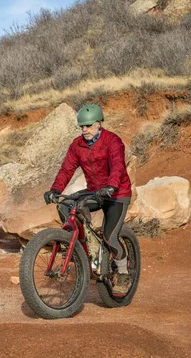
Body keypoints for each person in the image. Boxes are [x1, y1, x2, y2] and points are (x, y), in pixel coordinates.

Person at [43, 103, 132, 295]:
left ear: (99, 123)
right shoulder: (77, 145)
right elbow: (67, 169)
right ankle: (82, 248)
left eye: (89, 126)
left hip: (117, 194)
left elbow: (118, 166)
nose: (84, 130)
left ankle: (123, 272)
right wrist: (55, 189)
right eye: (82, 126)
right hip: (95, 192)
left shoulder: (113, 141)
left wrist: (112, 186)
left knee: (110, 236)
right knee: (66, 205)